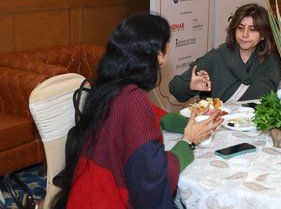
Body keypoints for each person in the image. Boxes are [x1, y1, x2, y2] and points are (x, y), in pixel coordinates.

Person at [52, 13, 222, 209]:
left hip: (84, 196)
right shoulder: (133, 98)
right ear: (158, 54)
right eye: (168, 43)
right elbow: (152, 179)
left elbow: (159, 118)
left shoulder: (110, 87)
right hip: (111, 200)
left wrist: (198, 122)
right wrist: (188, 142)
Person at [169, 3, 281, 103]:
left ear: (263, 34)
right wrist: (191, 87)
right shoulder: (217, 57)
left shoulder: (272, 63)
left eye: (252, 29)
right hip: (218, 126)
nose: (244, 34)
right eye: (240, 28)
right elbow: (175, 86)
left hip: (259, 126)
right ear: (233, 30)